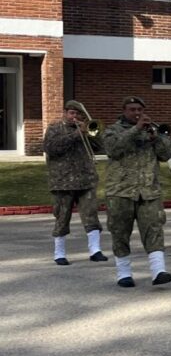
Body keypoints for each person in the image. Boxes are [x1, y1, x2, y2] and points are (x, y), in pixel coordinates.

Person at [101, 96, 171, 288]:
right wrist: (136, 130)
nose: (137, 113)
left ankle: (159, 271)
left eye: (140, 110)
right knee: (120, 232)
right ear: (124, 110)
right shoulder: (112, 130)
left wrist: (156, 136)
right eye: (132, 109)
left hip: (149, 191)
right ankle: (124, 273)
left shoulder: (152, 130)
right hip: (120, 191)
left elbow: (167, 154)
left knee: (154, 229)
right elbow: (113, 149)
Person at [42, 100, 107, 265]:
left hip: (86, 179)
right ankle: (59, 253)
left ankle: (95, 250)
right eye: (72, 113)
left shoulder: (86, 129)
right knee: (62, 217)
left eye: (78, 114)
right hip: (63, 181)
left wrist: (91, 133)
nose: (75, 116)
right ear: (65, 113)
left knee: (91, 215)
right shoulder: (55, 128)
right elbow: (51, 148)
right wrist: (76, 135)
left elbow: (101, 147)